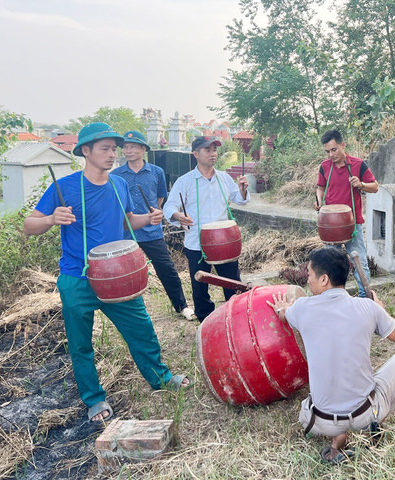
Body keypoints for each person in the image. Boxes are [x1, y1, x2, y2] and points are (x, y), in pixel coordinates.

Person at [23, 122, 190, 423]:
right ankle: (94, 399)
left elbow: (127, 221)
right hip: (78, 278)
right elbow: (28, 226)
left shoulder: (119, 185)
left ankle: (161, 379)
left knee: (142, 331)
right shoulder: (64, 187)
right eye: (105, 149)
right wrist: (50, 218)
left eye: (114, 149)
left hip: (118, 276)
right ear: (85, 151)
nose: (113, 154)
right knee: (81, 343)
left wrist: (149, 218)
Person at [267, 246, 395, 464]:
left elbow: (283, 315)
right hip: (364, 414)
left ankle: (338, 437)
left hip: (318, 421)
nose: (307, 280)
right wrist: (381, 310)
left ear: (324, 279)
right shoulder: (367, 308)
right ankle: (372, 424)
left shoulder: (302, 308)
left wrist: (282, 309)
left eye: (309, 274)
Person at [163, 136, 249, 322]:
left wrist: (242, 189)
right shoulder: (185, 181)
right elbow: (169, 207)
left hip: (224, 241)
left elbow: (240, 200)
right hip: (197, 243)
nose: (213, 154)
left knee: (233, 284)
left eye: (214, 150)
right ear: (195, 154)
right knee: (200, 286)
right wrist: (179, 216)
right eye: (207, 150)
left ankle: (235, 320)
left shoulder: (224, 178)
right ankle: (206, 324)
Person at [112, 130, 195, 320]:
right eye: (125, 147)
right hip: (126, 231)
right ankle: (127, 312)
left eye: (133, 147)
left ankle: (182, 305)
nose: (128, 150)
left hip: (151, 231)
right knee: (124, 273)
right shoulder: (116, 175)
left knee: (166, 268)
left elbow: (160, 199)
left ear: (143, 149)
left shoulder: (156, 172)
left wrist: (153, 216)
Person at [315, 129, 379, 298]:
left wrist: (361, 185)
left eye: (334, 150)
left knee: (359, 260)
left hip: (352, 223)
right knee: (329, 262)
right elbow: (320, 188)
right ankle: (332, 296)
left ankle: (365, 296)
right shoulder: (324, 166)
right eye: (327, 151)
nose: (331, 154)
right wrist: (319, 201)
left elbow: (375, 186)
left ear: (343, 145)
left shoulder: (358, 165)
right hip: (330, 223)